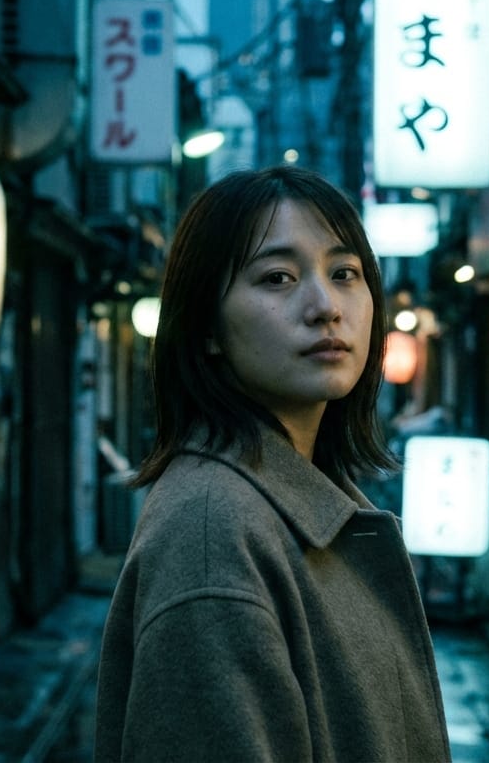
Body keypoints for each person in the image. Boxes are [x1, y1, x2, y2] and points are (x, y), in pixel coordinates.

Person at [93, 165, 451, 762]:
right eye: (278, 278)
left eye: (345, 273)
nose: (325, 307)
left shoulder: (296, 500)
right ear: (206, 326)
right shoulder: (214, 536)